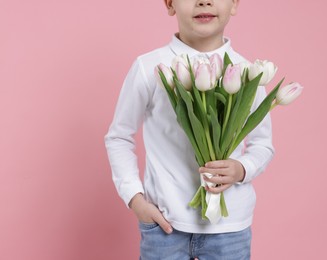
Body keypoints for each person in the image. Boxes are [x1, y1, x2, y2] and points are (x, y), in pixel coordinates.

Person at [104, 0, 274, 259]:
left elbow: (263, 144)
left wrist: (241, 169)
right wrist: (135, 199)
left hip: (230, 228)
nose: (204, 1)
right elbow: (119, 136)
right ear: (170, 4)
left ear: (235, 4)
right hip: (164, 224)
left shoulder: (248, 74)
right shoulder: (151, 67)